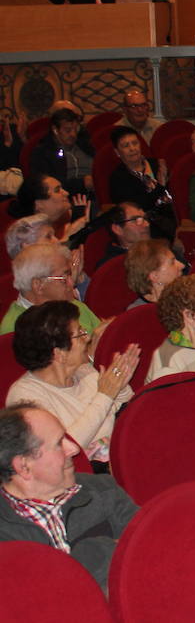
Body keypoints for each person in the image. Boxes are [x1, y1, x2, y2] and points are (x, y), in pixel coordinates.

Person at [0, 405, 139, 592]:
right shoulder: (5, 534)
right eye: (59, 443)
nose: (73, 449)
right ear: (24, 467)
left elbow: (150, 545)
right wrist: (97, 552)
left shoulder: (102, 489)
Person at [6, 301, 137, 464]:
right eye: (80, 333)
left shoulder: (82, 371)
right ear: (59, 354)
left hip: (120, 453)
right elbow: (64, 448)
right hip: (86, 474)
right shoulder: (25, 397)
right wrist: (105, 396)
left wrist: (120, 383)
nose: (87, 337)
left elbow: (121, 407)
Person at [3, 244, 101, 336]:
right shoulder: (16, 331)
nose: (71, 283)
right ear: (38, 285)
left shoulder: (74, 305)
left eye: (69, 275)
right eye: (63, 278)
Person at [106, 127, 174, 242]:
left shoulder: (156, 165)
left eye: (135, 143)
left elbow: (174, 198)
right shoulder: (119, 178)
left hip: (171, 222)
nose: (133, 148)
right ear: (117, 152)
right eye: (126, 146)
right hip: (144, 229)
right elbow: (140, 209)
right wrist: (160, 186)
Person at [29, 108, 94, 199]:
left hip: (93, 195)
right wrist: (82, 183)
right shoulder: (43, 152)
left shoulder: (84, 145)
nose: (73, 134)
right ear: (55, 130)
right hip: (64, 198)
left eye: (76, 129)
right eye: (68, 130)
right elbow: (46, 185)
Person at [123, 239, 184, 307]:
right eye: (172, 263)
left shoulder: (181, 297)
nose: (182, 265)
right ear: (155, 276)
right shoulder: (138, 314)